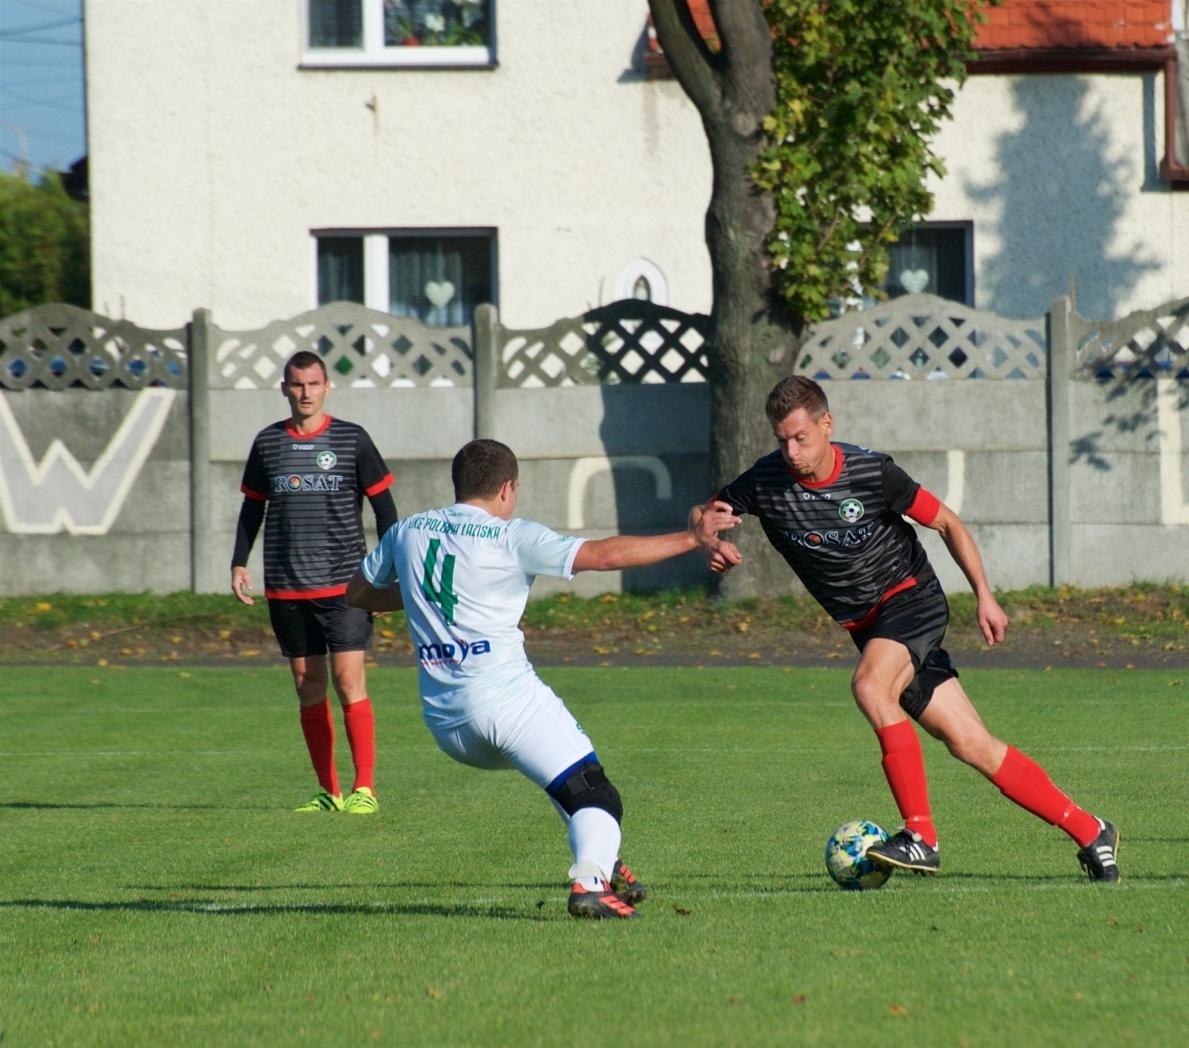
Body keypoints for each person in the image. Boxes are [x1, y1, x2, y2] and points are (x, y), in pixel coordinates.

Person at [698, 376, 1121, 883]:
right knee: (972, 744)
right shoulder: (765, 480)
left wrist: (984, 595)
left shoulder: (872, 472)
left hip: (911, 600)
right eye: (781, 439)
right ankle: (1092, 831)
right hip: (868, 625)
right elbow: (707, 512)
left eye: (801, 438)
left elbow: (947, 524)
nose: (790, 451)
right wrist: (707, 537)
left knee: (870, 686)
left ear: (826, 425)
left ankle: (921, 835)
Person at [346, 438, 741, 919]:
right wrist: (693, 539)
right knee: (596, 792)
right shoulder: (511, 537)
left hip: (445, 724)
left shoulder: (407, 532)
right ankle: (590, 883)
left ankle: (603, 858)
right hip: (505, 705)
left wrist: (425, 594)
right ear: (508, 489)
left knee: (569, 787)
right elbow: (604, 556)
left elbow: (359, 593)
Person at [232, 351, 398, 815]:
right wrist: (238, 562)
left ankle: (364, 788)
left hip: (344, 585)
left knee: (349, 681)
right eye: (296, 384)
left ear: (328, 387)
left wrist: (384, 577)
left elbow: (386, 511)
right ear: (284, 388)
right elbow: (252, 509)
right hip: (286, 586)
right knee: (308, 685)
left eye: (313, 384)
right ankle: (329, 791)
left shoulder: (352, 440)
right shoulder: (267, 443)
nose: (305, 393)